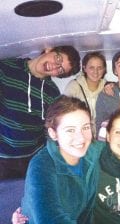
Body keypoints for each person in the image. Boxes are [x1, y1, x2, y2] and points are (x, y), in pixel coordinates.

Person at [0, 45, 81, 180]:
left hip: (32, 159)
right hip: (2, 157)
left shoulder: (53, 92)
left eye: (60, 69)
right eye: (58, 58)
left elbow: (50, 129)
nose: (55, 66)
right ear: (49, 49)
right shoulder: (7, 68)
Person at [19, 96, 102, 223]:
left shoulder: (93, 151)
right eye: (70, 130)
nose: (81, 138)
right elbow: (51, 219)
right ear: (53, 133)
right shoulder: (41, 165)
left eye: (85, 127)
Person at [64, 51, 106, 129]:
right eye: (91, 67)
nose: (95, 72)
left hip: (100, 135)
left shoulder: (107, 87)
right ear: (84, 68)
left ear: (104, 69)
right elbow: (63, 110)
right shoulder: (74, 86)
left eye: (99, 68)